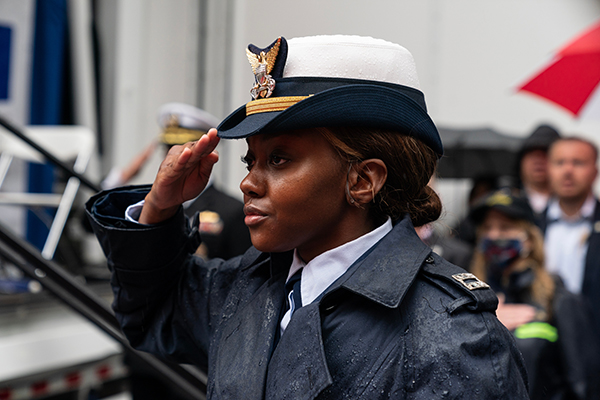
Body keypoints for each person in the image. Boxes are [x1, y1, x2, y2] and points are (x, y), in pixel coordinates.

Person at [86, 35, 528, 398]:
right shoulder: (251, 286)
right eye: (249, 161)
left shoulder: (453, 335)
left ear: (362, 181)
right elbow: (154, 312)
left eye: (279, 160)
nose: (249, 183)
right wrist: (160, 207)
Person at [469, 189, 600, 399]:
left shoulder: (558, 299)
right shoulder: (470, 300)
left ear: (528, 239)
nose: (493, 236)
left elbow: (584, 385)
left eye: (505, 228)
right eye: (487, 228)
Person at [541, 137, 600, 333]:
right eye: (560, 163)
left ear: (595, 171)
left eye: (578, 163)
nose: (568, 171)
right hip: (543, 342)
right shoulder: (531, 225)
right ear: (548, 169)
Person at [516, 124, 561, 225]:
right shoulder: (506, 201)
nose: (538, 161)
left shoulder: (579, 205)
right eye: (531, 154)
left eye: (545, 153)